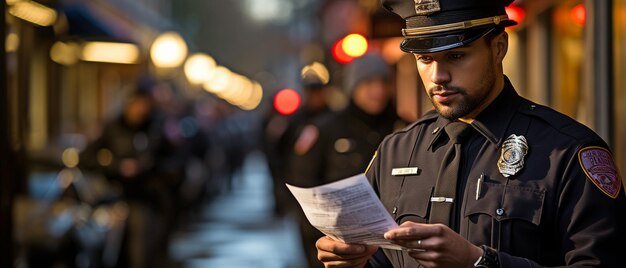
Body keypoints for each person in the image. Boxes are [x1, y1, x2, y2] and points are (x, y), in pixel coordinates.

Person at [315, 0, 626, 267]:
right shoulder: (396, 150)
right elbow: (381, 260)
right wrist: (352, 260)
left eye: (456, 56)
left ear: (498, 48)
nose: (438, 76)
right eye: (425, 59)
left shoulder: (568, 152)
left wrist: (479, 262)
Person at [289, 52, 402, 268]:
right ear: (353, 86)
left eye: (384, 82)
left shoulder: (405, 129)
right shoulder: (325, 129)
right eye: (368, 82)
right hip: (342, 250)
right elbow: (304, 188)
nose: (378, 91)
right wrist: (316, 254)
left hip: (393, 252)